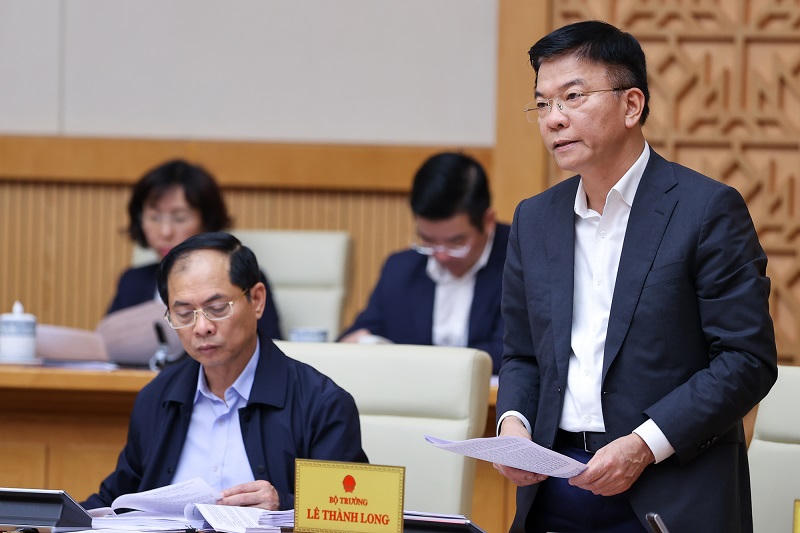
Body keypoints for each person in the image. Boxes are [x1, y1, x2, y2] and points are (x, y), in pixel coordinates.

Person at [494, 20, 777, 532]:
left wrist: (644, 445)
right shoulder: (534, 220)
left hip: (669, 490)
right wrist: (513, 424)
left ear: (631, 105)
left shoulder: (706, 210)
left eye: (573, 97)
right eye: (542, 104)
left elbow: (745, 360)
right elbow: (522, 353)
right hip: (554, 489)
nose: (554, 119)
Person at [84, 232, 367, 510]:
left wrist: (286, 505)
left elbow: (354, 513)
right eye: (184, 314)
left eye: (217, 308)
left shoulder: (321, 403)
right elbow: (114, 502)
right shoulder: (156, 398)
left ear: (257, 300)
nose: (201, 327)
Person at [339, 152, 509, 373]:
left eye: (456, 242)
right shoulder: (400, 269)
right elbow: (357, 335)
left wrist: (414, 362)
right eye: (428, 241)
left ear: (488, 221)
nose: (441, 255)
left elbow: (511, 352)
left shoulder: (523, 259)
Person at [107, 159, 282, 339]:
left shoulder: (243, 276)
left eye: (180, 218)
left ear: (206, 221)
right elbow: (107, 343)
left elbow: (268, 345)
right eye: (154, 218)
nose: (165, 232)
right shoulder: (132, 282)